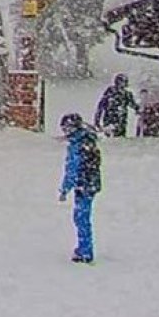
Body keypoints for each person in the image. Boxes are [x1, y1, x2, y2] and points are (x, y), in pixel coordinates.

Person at [58, 113, 102, 264]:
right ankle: (84, 248)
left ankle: (85, 251)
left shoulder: (77, 145)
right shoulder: (87, 140)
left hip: (84, 185)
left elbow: (72, 169)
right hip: (91, 183)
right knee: (82, 217)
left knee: (81, 218)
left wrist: (65, 189)